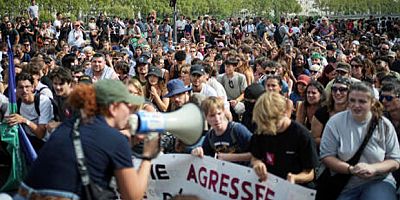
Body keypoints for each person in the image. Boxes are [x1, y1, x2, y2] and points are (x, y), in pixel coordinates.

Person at [14, 80, 160, 200]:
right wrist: (148, 155)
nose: (131, 110)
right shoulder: (114, 138)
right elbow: (133, 196)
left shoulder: (69, 125)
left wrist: (129, 144)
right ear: (113, 108)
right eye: (127, 105)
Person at [320, 82, 400, 200]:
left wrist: (374, 168)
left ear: (372, 103)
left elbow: (395, 160)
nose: (356, 105)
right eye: (352, 100)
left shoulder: (384, 125)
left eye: (362, 102)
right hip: (343, 182)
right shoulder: (335, 123)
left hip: (378, 180)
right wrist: (350, 169)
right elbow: (326, 156)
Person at [251, 92, 318, 186]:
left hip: (296, 188)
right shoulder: (262, 130)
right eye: (265, 123)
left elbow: (310, 173)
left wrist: (295, 177)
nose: (270, 127)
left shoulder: (302, 135)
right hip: (270, 185)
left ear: (284, 112)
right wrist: (257, 163)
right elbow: (255, 156)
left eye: (273, 121)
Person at [191, 96, 252, 164]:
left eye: (219, 114)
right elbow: (205, 157)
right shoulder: (210, 136)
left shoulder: (237, 130)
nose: (217, 119)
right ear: (205, 117)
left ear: (224, 112)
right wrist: (197, 152)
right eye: (212, 115)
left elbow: (258, 153)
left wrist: (229, 157)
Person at [311, 76, 351, 146]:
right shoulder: (321, 113)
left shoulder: (354, 113)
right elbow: (314, 138)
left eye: (342, 89)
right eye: (334, 89)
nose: (338, 93)